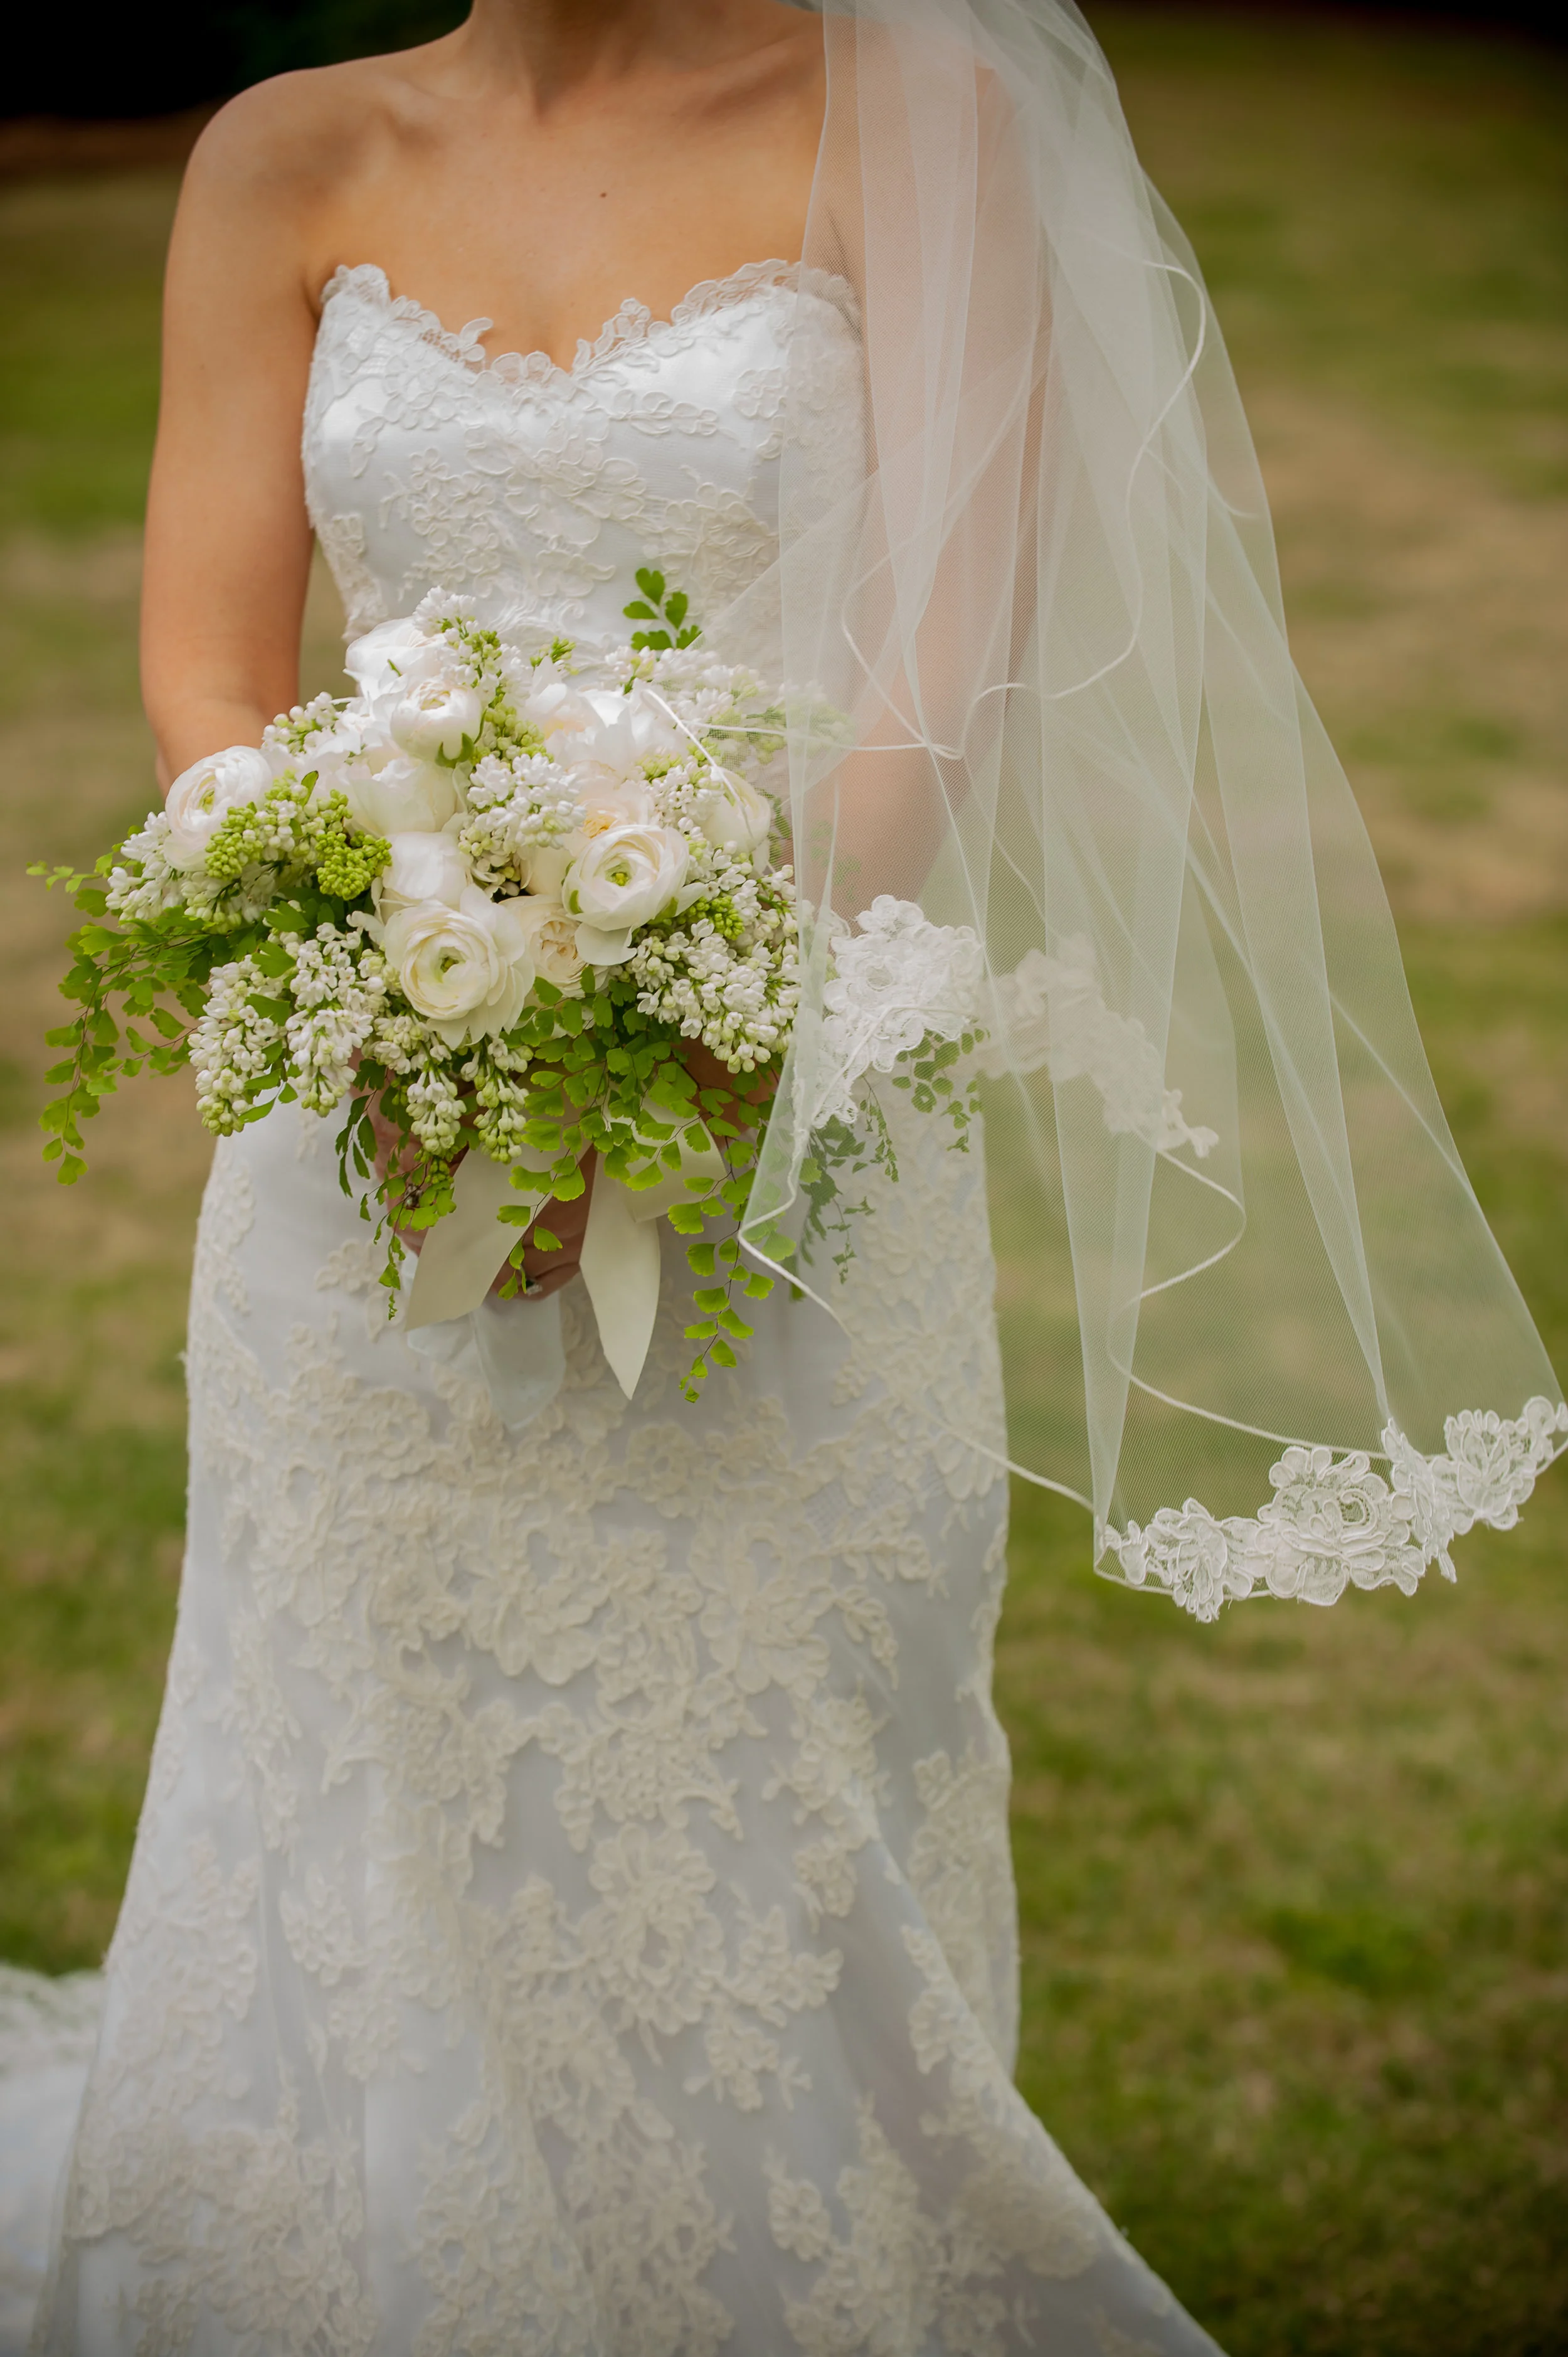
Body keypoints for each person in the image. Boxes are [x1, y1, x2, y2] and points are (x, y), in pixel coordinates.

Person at [24, 0, 1562, 2348]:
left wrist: (655, 1024)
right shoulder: (281, 156)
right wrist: (381, 947)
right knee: (355, 1791)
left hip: (788, 1121)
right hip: (364, 1164)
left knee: (767, 1827)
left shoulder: (926, 139)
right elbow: (208, 675)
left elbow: (927, 708)